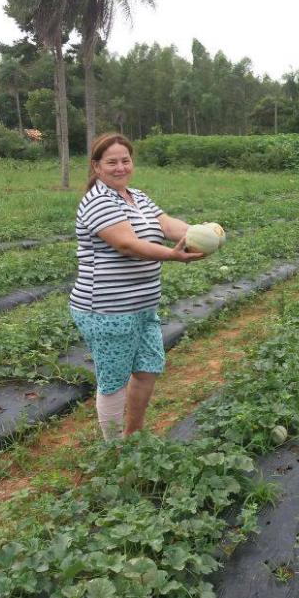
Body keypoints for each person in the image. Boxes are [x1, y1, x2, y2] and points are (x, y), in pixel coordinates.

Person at [69, 132, 204, 440]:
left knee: (147, 370)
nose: (120, 167)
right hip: (107, 309)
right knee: (114, 380)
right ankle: (114, 449)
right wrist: (172, 255)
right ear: (97, 167)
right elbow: (127, 244)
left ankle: (134, 434)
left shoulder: (137, 196)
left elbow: (167, 225)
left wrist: (202, 232)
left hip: (143, 306)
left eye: (125, 160)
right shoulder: (98, 201)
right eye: (111, 162)